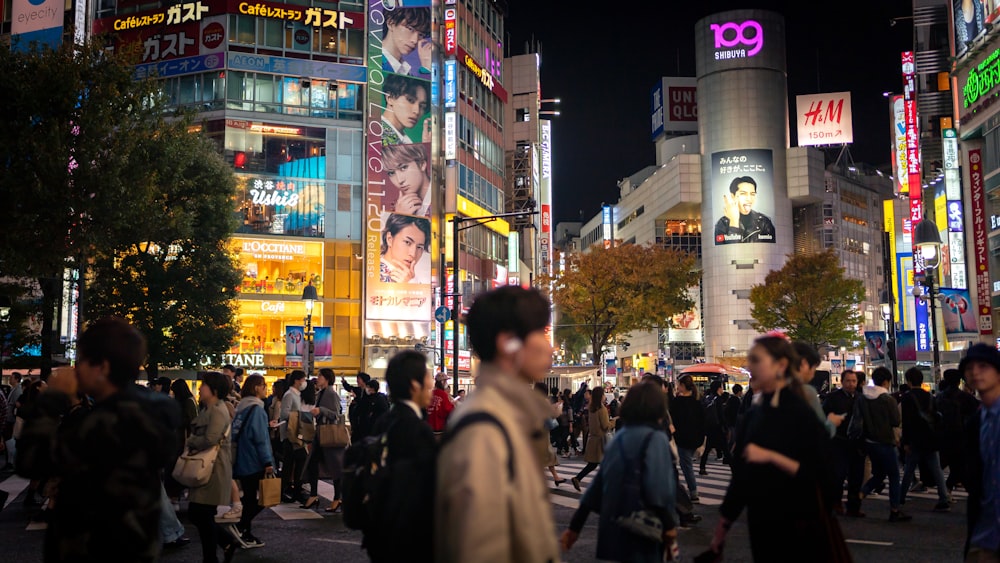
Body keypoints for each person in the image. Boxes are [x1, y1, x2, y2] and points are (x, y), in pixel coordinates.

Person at [15, 318, 180, 562]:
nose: (75, 370)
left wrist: (53, 399)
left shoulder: (100, 423)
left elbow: (31, 462)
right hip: (138, 543)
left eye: (81, 361)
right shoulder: (156, 410)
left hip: (92, 548)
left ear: (101, 367)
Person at [435, 286, 560, 562]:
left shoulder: (507, 416)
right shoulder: (484, 429)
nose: (549, 347)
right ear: (508, 343)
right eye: (540, 333)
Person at [705, 335, 841, 561]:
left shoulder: (800, 413)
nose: (750, 367)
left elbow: (822, 476)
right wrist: (721, 530)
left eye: (757, 360)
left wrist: (771, 457)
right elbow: (741, 479)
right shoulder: (754, 414)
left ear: (781, 365)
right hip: (761, 523)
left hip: (799, 523)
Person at [560, 381, 678, 562]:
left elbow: (597, 485)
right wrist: (669, 525)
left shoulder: (620, 438)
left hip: (616, 523)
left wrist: (575, 527)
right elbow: (656, 487)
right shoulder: (655, 438)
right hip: (644, 527)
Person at [364, 350, 437, 562]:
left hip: (379, 531)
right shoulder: (417, 429)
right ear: (415, 385)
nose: (431, 384)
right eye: (428, 377)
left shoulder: (385, 421)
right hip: (407, 538)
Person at [187, 371, 239, 563]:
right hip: (208, 467)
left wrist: (191, 440)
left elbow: (211, 438)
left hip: (213, 469)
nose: (200, 388)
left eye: (204, 385)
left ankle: (214, 555)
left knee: (200, 513)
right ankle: (223, 545)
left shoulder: (217, 410)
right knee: (201, 514)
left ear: (214, 390)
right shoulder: (209, 408)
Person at [959, 343, 1000, 561]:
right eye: (969, 368)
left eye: (983, 366)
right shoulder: (977, 421)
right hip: (985, 532)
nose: (975, 372)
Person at [858, 367, 911, 522]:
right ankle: (894, 509)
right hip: (886, 442)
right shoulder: (888, 399)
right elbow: (895, 420)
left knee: (880, 473)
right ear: (887, 381)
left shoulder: (863, 398)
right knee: (894, 476)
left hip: (869, 442)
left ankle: (862, 492)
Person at [229, 374, 274, 549]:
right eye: (263, 386)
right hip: (255, 460)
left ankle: (245, 531)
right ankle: (242, 526)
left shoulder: (241, 408)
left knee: (249, 497)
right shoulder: (257, 409)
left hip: (242, 459)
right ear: (257, 388)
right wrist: (268, 462)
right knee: (264, 498)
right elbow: (261, 439)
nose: (265, 389)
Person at [898, 367, 951, 512]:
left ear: (908, 381)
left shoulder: (907, 398)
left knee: (909, 469)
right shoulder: (929, 396)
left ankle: (900, 498)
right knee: (937, 469)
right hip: (930, 438)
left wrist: (906, 442)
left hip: (915, 439)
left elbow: (907, 422)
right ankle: (943, 498)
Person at [822, 369, 867, 517]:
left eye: (854, 381)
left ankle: (854, 506)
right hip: (838, 441)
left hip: (856, 442)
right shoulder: (833, 398)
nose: (851, 384)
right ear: (842, 382)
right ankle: (836, 502)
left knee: (856, 476)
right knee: (838, 475)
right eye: (848, 381)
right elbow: (824, 417)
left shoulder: (861, 398)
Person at [304, 368, 347, 513]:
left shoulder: (330, 393)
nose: (318, 379)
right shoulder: (321, 393)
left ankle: (336, 498)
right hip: (321, 434)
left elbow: (335, 414)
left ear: (327, 378)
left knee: (335, 468)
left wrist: (321, 410)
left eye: (320, 376)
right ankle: (314, 494)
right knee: (314, 465)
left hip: (329, 435)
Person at [937, 367, 980, 491]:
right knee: (961, 468)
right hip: (962, 438)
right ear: (959, 381)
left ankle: (946, 492)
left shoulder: (939, 398)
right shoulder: (965, 397)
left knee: (954, 467)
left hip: (943, 437)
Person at [792, 341, 841, 438]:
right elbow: (822, 430)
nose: (813, 373)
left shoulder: (770, 388)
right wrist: (832, 422)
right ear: (804, 364)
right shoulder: (805, 391)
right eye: (814, 367)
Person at [670, 374, 705, 503]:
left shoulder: (677, 402)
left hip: (682, 438)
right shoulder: (697, 402)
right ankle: (692, 491)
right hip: (696, 438)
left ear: (683, 386)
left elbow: (672, 419)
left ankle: (693, 492)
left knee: (686, 466)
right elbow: (702, 421)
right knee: (687, 464)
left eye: (679, 384)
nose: (677, 387)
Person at [571, 386, 612, 491]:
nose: (604, 397)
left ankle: (578, 478)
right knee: (603, 463)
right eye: (603, 394)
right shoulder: (602, 409)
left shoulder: (592, 407)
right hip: (601, 440)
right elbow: (605, 426)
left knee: (593, 464)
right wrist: (614, 421)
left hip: (593, 439)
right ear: (600, 396)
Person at [713, 175, 776, 244]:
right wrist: (734, 222)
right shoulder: (722, 224)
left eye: (752, 194)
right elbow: (728, 252)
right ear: (733, 196)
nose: (749, 199)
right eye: (743, 194)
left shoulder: (764, 222)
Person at [379, 213, 431, 284]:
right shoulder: (375, 273)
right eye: (407, 242)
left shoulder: (412, 278)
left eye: (419, 247)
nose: (413, 254)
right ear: (389, 239)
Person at [279, 370, 306, 502]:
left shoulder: (297, 394)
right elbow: (284, 414)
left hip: (296, 433)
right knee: (290, 464)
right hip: (290, 434)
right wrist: (298, 416)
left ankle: (294, 490)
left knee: (295, 463)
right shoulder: (289, 394)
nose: (304, 382)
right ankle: (284, 490)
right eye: (303, 379)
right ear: (297, 380)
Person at [289, 380, 317, 506]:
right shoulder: (314, 404)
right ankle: (303, 491)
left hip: (298, 435)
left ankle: (296, 491)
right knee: (306, 465)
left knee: (297, 465)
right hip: (310, 436)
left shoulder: (299, 401)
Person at [383, 143, 431, 217]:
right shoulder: (398, 208)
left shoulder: (443, 196)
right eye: (391, 173)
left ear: (422, 164)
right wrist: (399, 216)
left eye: (404, 167)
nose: (399, 180)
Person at [382, 7, 432, 76]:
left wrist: (426, 68)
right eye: (410, 29)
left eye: (421, 34)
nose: (415, 40)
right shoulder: (376, 63)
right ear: (391, 23)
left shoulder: (405, 70)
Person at [381, 74, 431, 145]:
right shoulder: (379, 134)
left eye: (422, 106)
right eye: (410, 100)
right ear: (390, 98)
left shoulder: (402, 139)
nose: (416, 111)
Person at [535, 381, 566, 486]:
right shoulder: (543, 401)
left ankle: (556, 477)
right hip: (543, 432)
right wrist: (558, 407)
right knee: (546, 455)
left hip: (535, 432)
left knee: (545, 455)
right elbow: (552, 415)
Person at [699, 380, 731, 474]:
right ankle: (735, 470)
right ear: (718, 388)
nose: (722, 389)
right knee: (725, 449)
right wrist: (725, 427)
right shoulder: (718, 399)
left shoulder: (707, 398)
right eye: (721, 387)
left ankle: (702, 468)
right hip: (718, 428)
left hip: (710, 428)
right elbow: (721, 415)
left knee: (708, 448)